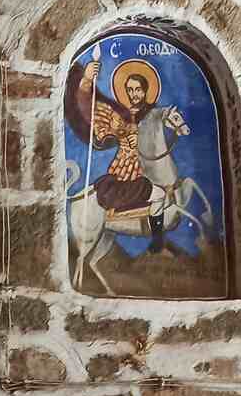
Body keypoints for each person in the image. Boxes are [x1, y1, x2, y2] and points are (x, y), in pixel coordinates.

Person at [70, 58, 179, 256]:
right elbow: (90, 108)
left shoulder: (153, 113)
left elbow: (166, 121)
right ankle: (157, 243)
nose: (134, 94)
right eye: (130, 90)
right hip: (127, 172)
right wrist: (86, 81)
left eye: (138, 90)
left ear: (146, 90)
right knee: (159, 195)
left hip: (151, 168)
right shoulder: (120, 116)